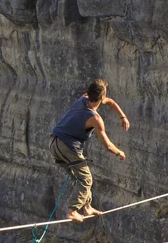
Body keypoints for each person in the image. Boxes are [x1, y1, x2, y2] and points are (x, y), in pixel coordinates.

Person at [50, 79, 129, 223]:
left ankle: (86, 207)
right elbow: (108, 146)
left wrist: (122, 116)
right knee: (86, 180)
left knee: (80, 178)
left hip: (54, 143)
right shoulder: (95, 118)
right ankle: (72, 211)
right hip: (67, 146)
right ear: (101, 97)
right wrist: (119, 153)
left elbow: (110, 102)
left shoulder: (84, 98)